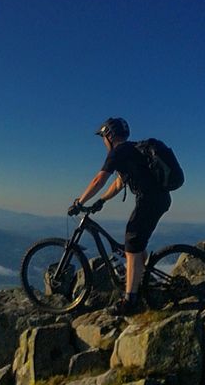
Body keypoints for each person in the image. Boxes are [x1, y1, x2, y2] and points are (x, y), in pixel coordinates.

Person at [69, 117, 171, 315]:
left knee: (132, 242)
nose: (103, 142)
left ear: (109, 136)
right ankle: (142, 281)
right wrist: (102, 201)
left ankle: (130, 301)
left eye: (103, 138)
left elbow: (99, 180)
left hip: (150, 200)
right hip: (158, 199)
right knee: (136, 241)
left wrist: (79, 202)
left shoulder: (118, 152)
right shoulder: (130, 152)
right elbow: (118, 183)